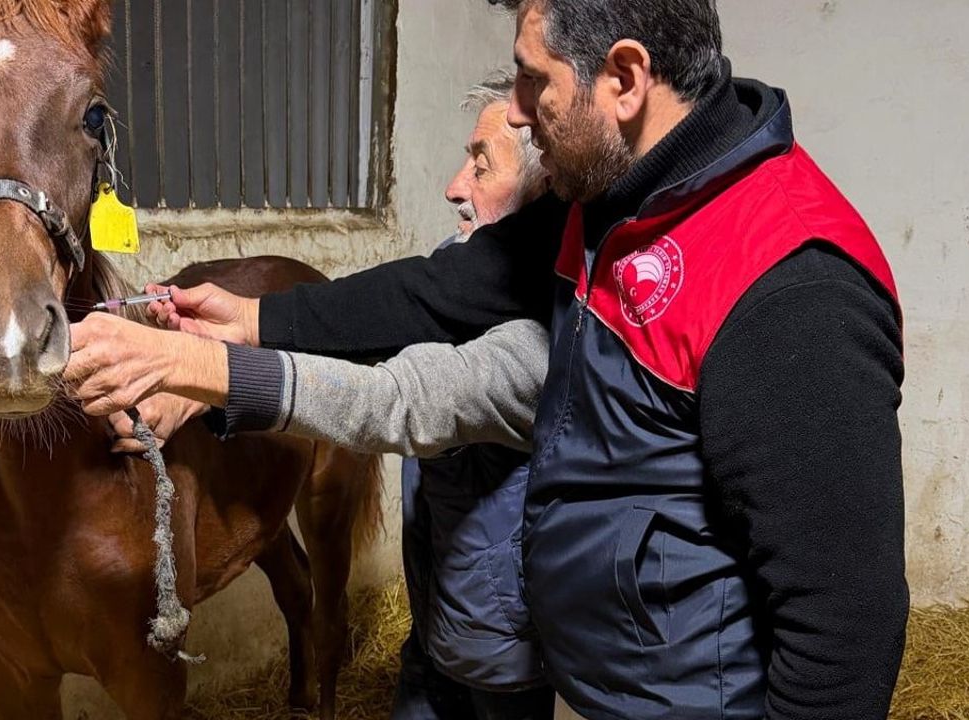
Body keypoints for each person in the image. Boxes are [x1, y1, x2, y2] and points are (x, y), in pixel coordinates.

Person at [69, 1, 909, 718]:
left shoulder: (791, 286)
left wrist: (201, 372)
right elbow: (442, 292)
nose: (520, 104)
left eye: (534, 78)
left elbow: (841, 623)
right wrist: (256, 318)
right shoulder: (618, 201)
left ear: (624, 78)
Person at [70, 73, 557, 719]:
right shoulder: (460, 268)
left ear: (545, 193)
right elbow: (388, 314)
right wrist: (244, 329)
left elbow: (394, 398)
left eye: (480, 164)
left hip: (506, 660)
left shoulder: (549, 334)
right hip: (439, 629)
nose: (453, 185)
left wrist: (198, 366)